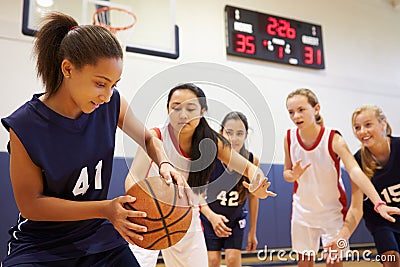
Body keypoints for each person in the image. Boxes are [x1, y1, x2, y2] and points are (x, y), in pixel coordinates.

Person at [0, 12, 187, 267]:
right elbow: (32, 206)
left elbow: (149, 139)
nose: (107, 95)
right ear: (68, 69)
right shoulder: (24, 125)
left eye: (114, 84)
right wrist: (104, 209)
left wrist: (164, 163)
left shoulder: (112, 104)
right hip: (41, 244)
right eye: (100, 83)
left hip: (96, 237)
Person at [125, 83, 276, 267]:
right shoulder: (155, 136)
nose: (183, 114)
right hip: (149, 214)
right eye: (176, 107)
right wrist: (147, 203)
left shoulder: (210, 141)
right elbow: (132, 179)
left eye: (190, 108)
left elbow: (250, 168)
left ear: (202, 111)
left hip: (185, 215)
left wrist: (257, 183)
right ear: (167, 109)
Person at [283, 89, 399, 267]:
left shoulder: (333, 138)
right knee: (304, 262)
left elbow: (355, 172)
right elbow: (287, 173)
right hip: (303, 211)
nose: (295, 116)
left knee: (334, 261)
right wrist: (292, 175)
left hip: (332, 212)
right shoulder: (289, 137)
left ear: (316, 109)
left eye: (301, 109)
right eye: (291, 112)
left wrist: (378, 202)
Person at [325, 105, 400, 266]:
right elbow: (356, 208)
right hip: (381, 222)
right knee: (391, 258)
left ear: (383, 124)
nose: (362, 132)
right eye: (357, 127)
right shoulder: (358, 161)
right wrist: (342, 238)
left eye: (368, 125)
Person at [200, 111, 260, 267]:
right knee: (212, 260)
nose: (234, 138)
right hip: (210, 218)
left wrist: (253, 231)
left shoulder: (251, 160)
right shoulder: (209, 158)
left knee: (233, 260)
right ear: (220, 133)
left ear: (246, 135)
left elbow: (253, 197)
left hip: (235, 220)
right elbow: (196, 194)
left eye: (240, 133)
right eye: (229, 132)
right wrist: (211, 216)